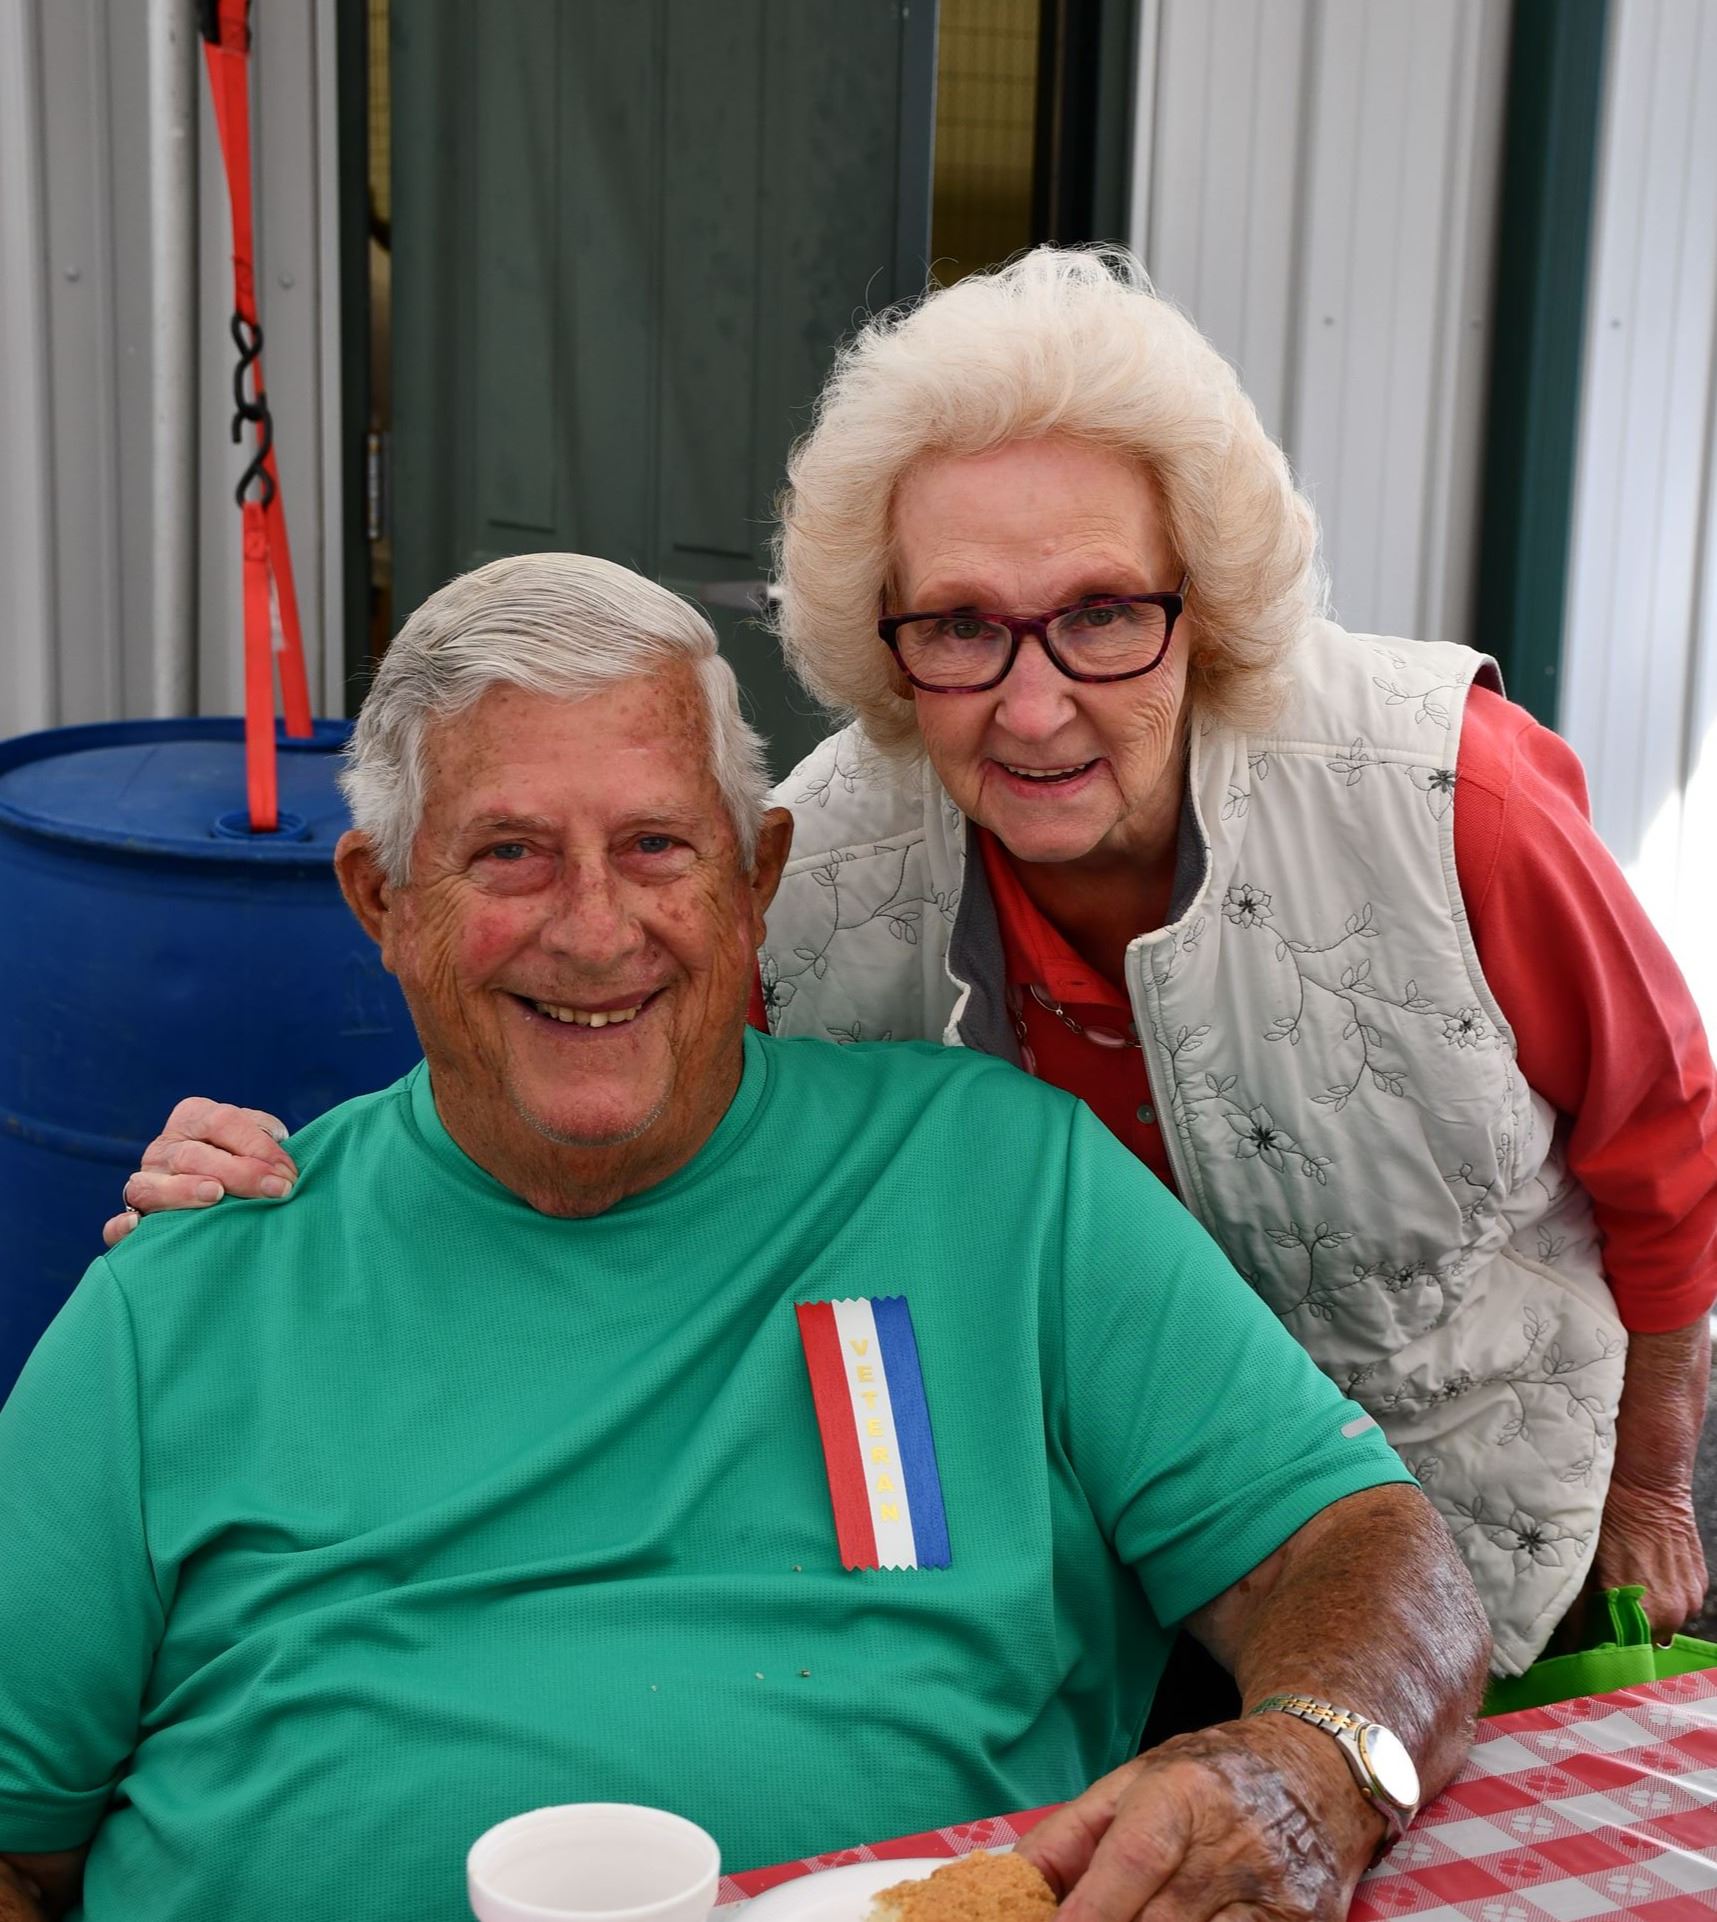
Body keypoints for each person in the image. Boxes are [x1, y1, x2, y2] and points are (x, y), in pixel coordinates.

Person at [112, 249, 1717, 1683]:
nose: (1028, 706)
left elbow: (1664, 1141)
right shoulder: (809, 862)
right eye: (956, 626)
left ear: (1202, 599)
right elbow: (590, 1037)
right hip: (1099, 1581)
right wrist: (285, 1193)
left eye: (1098, 613)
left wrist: (1648, 1485)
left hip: (1486, 1542)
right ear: (876, 631)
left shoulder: (1444, 799)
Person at [0, 556, 1488, 1922]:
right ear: (383, 899)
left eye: (656, 846)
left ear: (755, 876)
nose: (594, 929)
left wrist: (1311, 1764)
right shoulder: (189, 1282)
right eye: (508, 853)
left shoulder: (999, 1181)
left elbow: (1356, 1538)